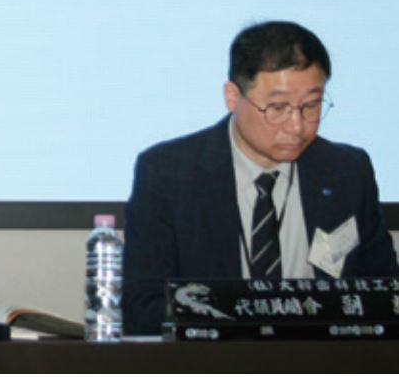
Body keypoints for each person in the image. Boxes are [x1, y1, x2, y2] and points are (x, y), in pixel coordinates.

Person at [123, 20, 398, 335]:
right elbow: (142, 305)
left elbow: (386, 295)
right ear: (232, 96)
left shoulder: (347, 171)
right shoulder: (168, 173)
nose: (297, 126)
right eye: (277, 107)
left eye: (311, 106)